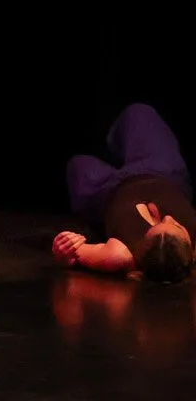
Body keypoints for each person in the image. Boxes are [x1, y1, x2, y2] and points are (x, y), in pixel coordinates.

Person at [53, 104, 193, 284]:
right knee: (138, 113)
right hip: (161, 172)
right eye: (176, 226)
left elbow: (72, 255)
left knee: (78, 165)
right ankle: (116, 149)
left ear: (140, 254)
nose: (167, 218)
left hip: (106, 189)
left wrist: (64, 251)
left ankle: (109, 156)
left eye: (153, 230)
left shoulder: (119, 254)